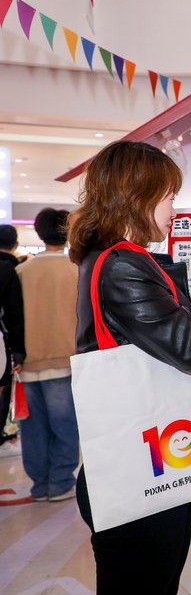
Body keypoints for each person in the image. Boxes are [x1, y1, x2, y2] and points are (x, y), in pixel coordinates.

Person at [68, 140, 191, 595]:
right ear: (137, 196)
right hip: (139, 472)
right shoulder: (121, 266)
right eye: (168, 197)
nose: (174, 210)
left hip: (146, 463)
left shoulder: (112, 259)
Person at [16, 208, 80, 502]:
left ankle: (40, 484)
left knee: (33, 428)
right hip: (65, 360)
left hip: (27, 363)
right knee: (65, 424)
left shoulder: (21, 272)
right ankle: (61, 482)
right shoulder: (76, 270)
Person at [0, 224, 25, 447]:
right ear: (15, 244)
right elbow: (14, 315)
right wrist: (18, 352)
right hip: (2, 348)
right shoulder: (10, 270)